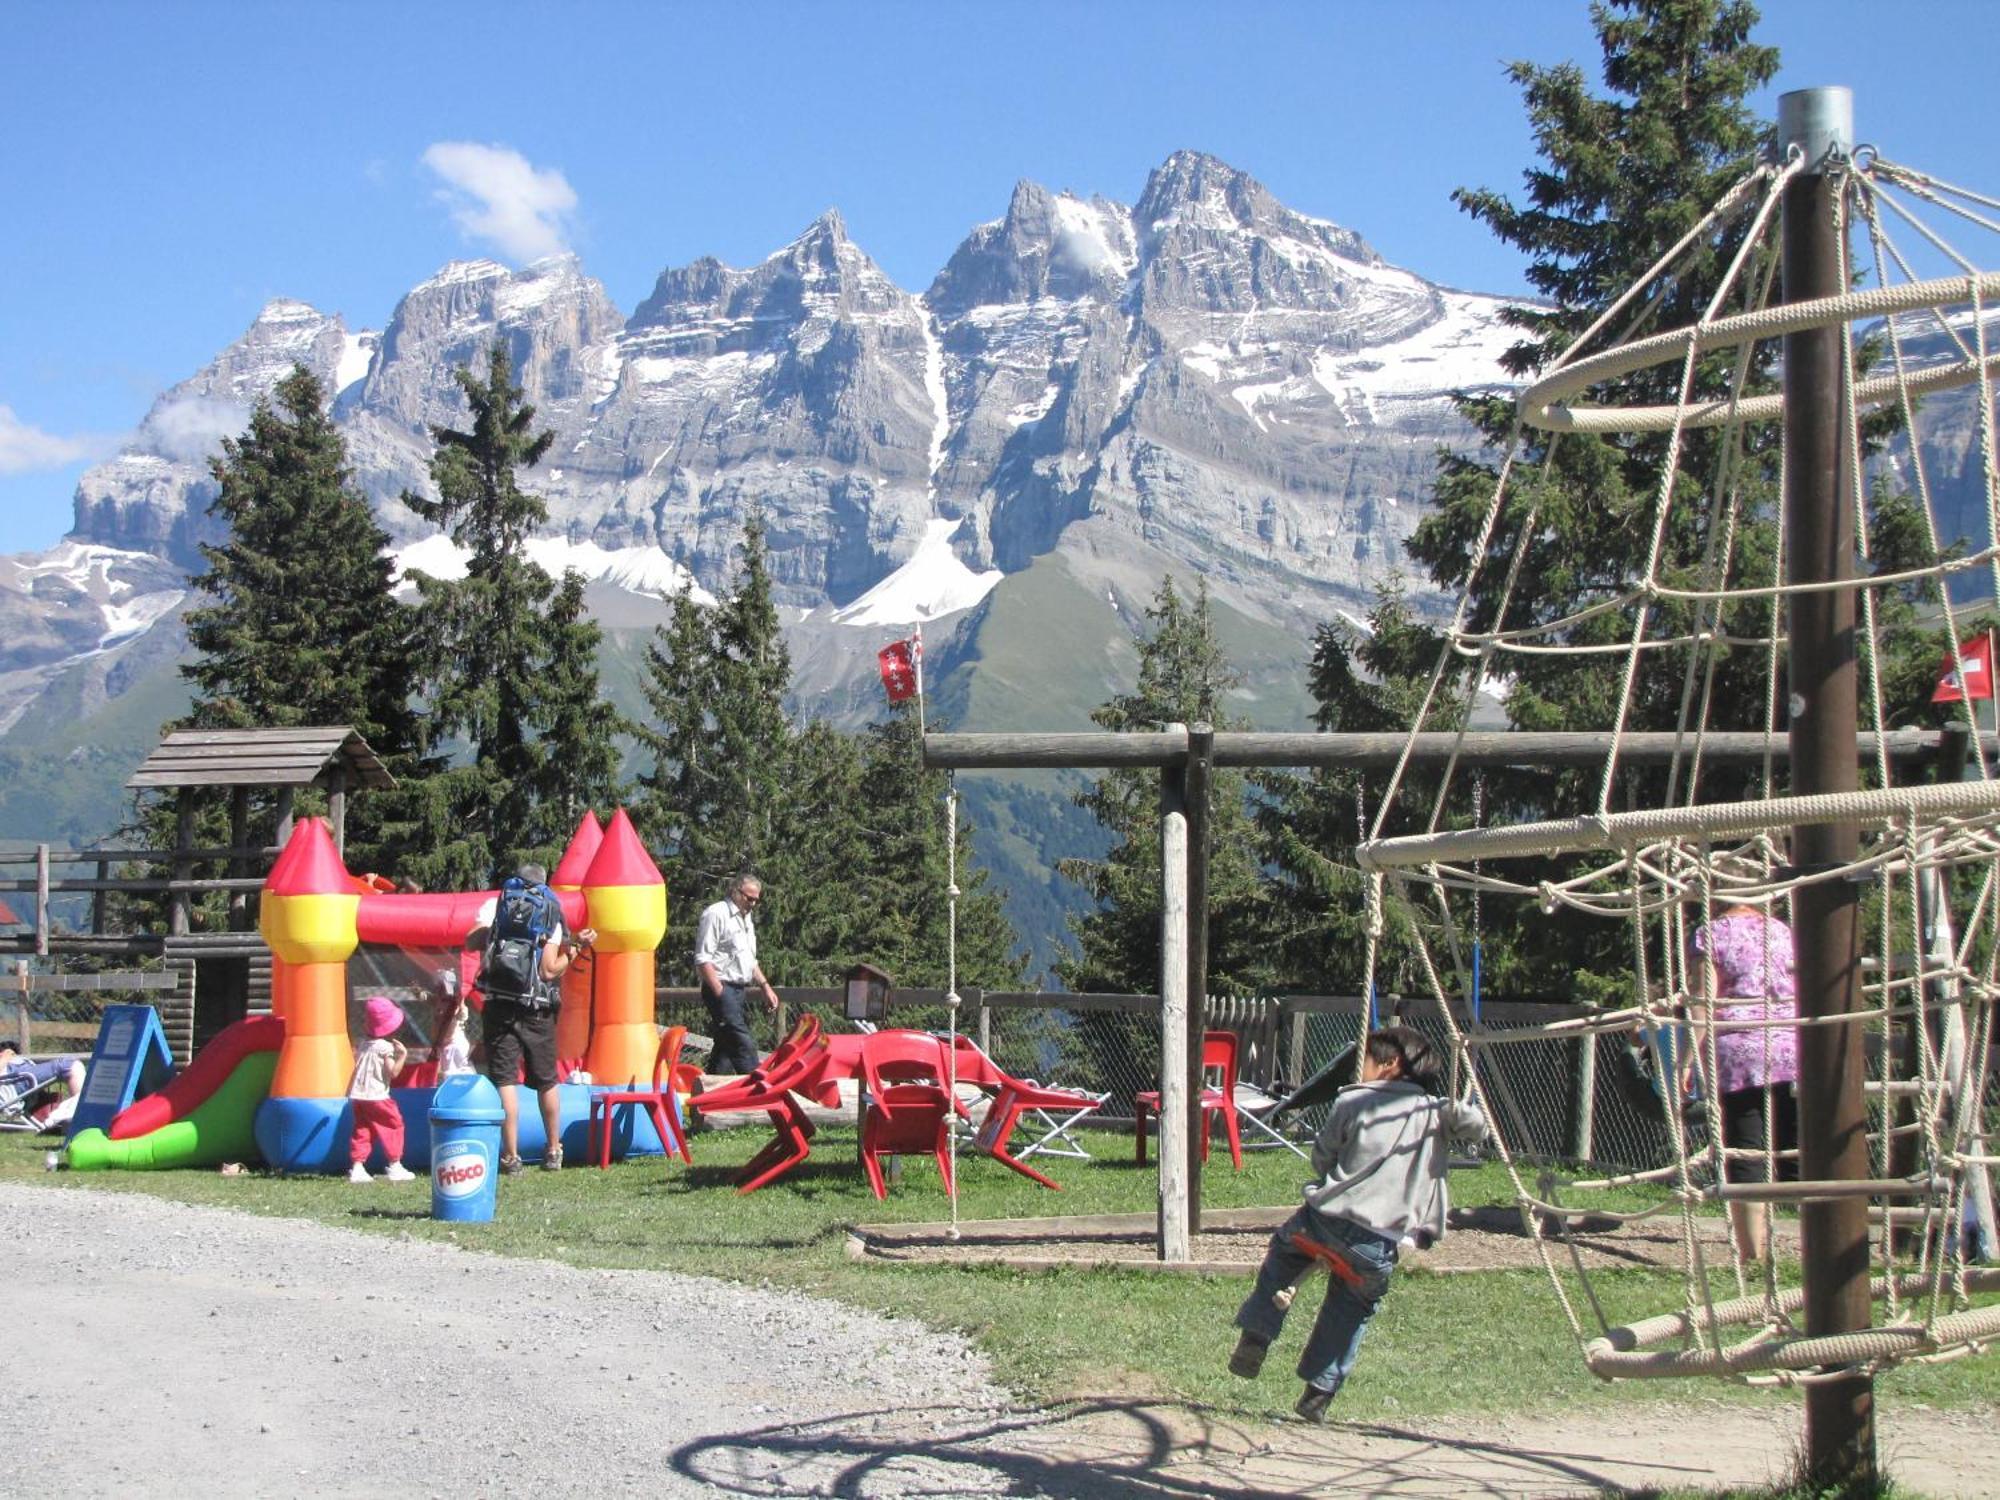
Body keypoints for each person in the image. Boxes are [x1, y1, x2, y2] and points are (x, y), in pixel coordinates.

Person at [1229, 1025, 1484, 1423]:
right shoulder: (1435, 1114)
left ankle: (1258, 1332)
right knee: (1354, 1303)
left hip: (1323, 1222)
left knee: (1285, 1254)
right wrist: (1459, 1111)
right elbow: (1477, 1130)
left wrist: (1334, 1171)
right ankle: (1320, 1391)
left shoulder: (1354, 1101)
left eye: (1363, 1061)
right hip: (1376, 1244)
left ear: (1389, 1065)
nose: (1358, 1070)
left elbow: (1323, 1157)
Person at [1688, 876, 1799, 1264]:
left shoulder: (1712, 934)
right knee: (1786, 1145)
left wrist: (1690, 1057)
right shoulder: (1782, 931)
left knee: (1746, 1149)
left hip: (1739, 1049)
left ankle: (1753, 1254)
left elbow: (1704, 999)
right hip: (1790, 1045)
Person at [468, 861, 594, 1175]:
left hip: (498, 1004)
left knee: (505, 1081)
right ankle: (553, 1150)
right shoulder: (549, 910)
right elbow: (549, 969)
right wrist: (576, 948)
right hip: (536, 1008)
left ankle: (510, 1158)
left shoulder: (498, 905)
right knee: (546, 1080)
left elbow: (471, 941)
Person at [694, 874, 779, 1075]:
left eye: (756, 900)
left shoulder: (746, 919)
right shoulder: (716, 914)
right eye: (749, 898)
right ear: (735, 892)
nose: (753, 904)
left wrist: (765, 986)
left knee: (725, 1047)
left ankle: (711, 1092)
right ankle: (757, 1088)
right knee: (742, 1042)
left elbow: (749, 960)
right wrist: (720, 992)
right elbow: (702, 958)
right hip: (721, 987)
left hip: (739, 990)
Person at [347, 996, 416, 1184]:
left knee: (363, 1128)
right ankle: (395, 1165)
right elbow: (393, 1072)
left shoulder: (364, 1045)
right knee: (394, 1125)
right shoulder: (385, 1048)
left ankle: (357, 1167)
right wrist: (402, 1055)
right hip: (377, 1096)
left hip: (359, 1095)